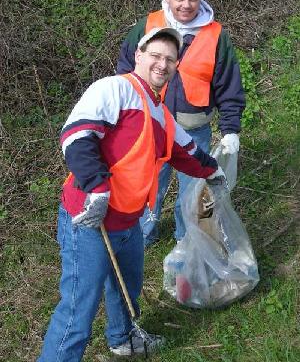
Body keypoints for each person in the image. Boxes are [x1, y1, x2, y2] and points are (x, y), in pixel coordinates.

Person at [37, 27, 225, 361]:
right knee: (79, 309)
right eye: (155, 55)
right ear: (138, 56)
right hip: (89, 219)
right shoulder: (114, 89)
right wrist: (96, 188)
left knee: (127, 290)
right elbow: (76, 136)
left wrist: (213, 170)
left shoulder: (161, 114)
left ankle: (123, 339)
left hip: (127, 221)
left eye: (169, 59)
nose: (161, 64)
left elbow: (188, 151)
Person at [117, 0, 245, 247]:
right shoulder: (147, 26)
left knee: (192, 192)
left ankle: (186, 242)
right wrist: (124, 116)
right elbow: (125, 71)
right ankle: (141, 238)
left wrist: (230, 129)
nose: (186, 5)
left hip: (194, 130)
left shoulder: (216, 35)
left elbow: (228, 84)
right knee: (147, 186)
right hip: (150, 128)